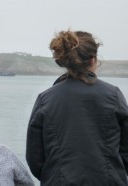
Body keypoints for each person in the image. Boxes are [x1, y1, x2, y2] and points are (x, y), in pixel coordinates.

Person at [26, 30, 128, 186]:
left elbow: (34, 157)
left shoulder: (45, 99)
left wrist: (53, 175)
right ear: (93, 59)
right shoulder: (113, 96)